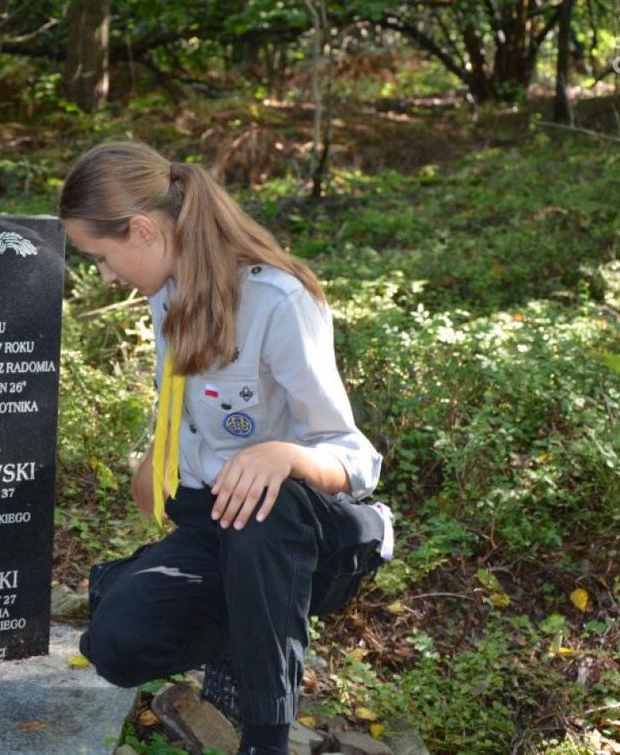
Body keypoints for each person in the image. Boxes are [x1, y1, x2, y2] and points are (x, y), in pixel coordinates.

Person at [59, 141, 393, 755]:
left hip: (304, 537)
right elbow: (198, 415)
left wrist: (284, 456)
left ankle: (265, 734)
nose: (104, 275)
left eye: (102, 257)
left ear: (142, 230)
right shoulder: (167, 296)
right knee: (116, 643)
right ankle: (224, 621)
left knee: (261, 510)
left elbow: (355, 458)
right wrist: (155, 457)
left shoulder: (277, 301)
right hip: (213, 525)